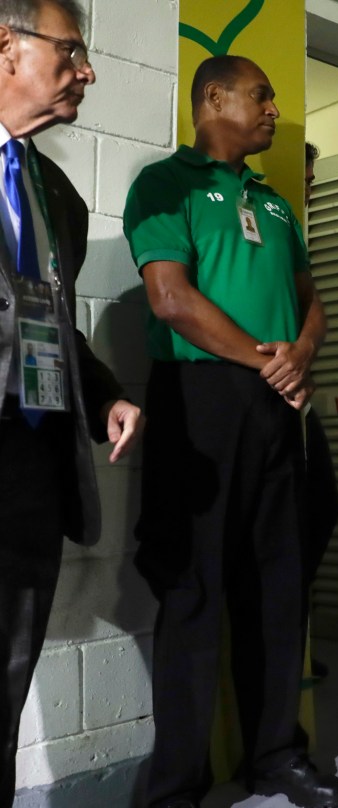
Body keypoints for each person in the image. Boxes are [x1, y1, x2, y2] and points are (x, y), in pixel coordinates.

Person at [123, 56, 338, 808]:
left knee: (278, 587)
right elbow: (170, 298)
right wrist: (266, 360)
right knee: (193, 592)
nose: (273, 109)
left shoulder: (278, 203)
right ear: (212, 99)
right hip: (203, 397)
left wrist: (303, 351)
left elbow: (309, 298)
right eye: (260, 95)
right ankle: (177, 787)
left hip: (277, 404)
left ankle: (276, 757)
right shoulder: (166, 183)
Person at [0, 1, 143, 803]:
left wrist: (108, 395)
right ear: (7, 48)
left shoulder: (56, 192)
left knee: (7, 679)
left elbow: (49, 323)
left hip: (30, 470)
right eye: (72, 51)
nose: (86, 72)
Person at [302, 140, 338, 679]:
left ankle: (296, 636)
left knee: (321, 507)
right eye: (307, 174)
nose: (311, 185)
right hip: (263, 390)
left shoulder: (293, 228)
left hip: (298, 395)